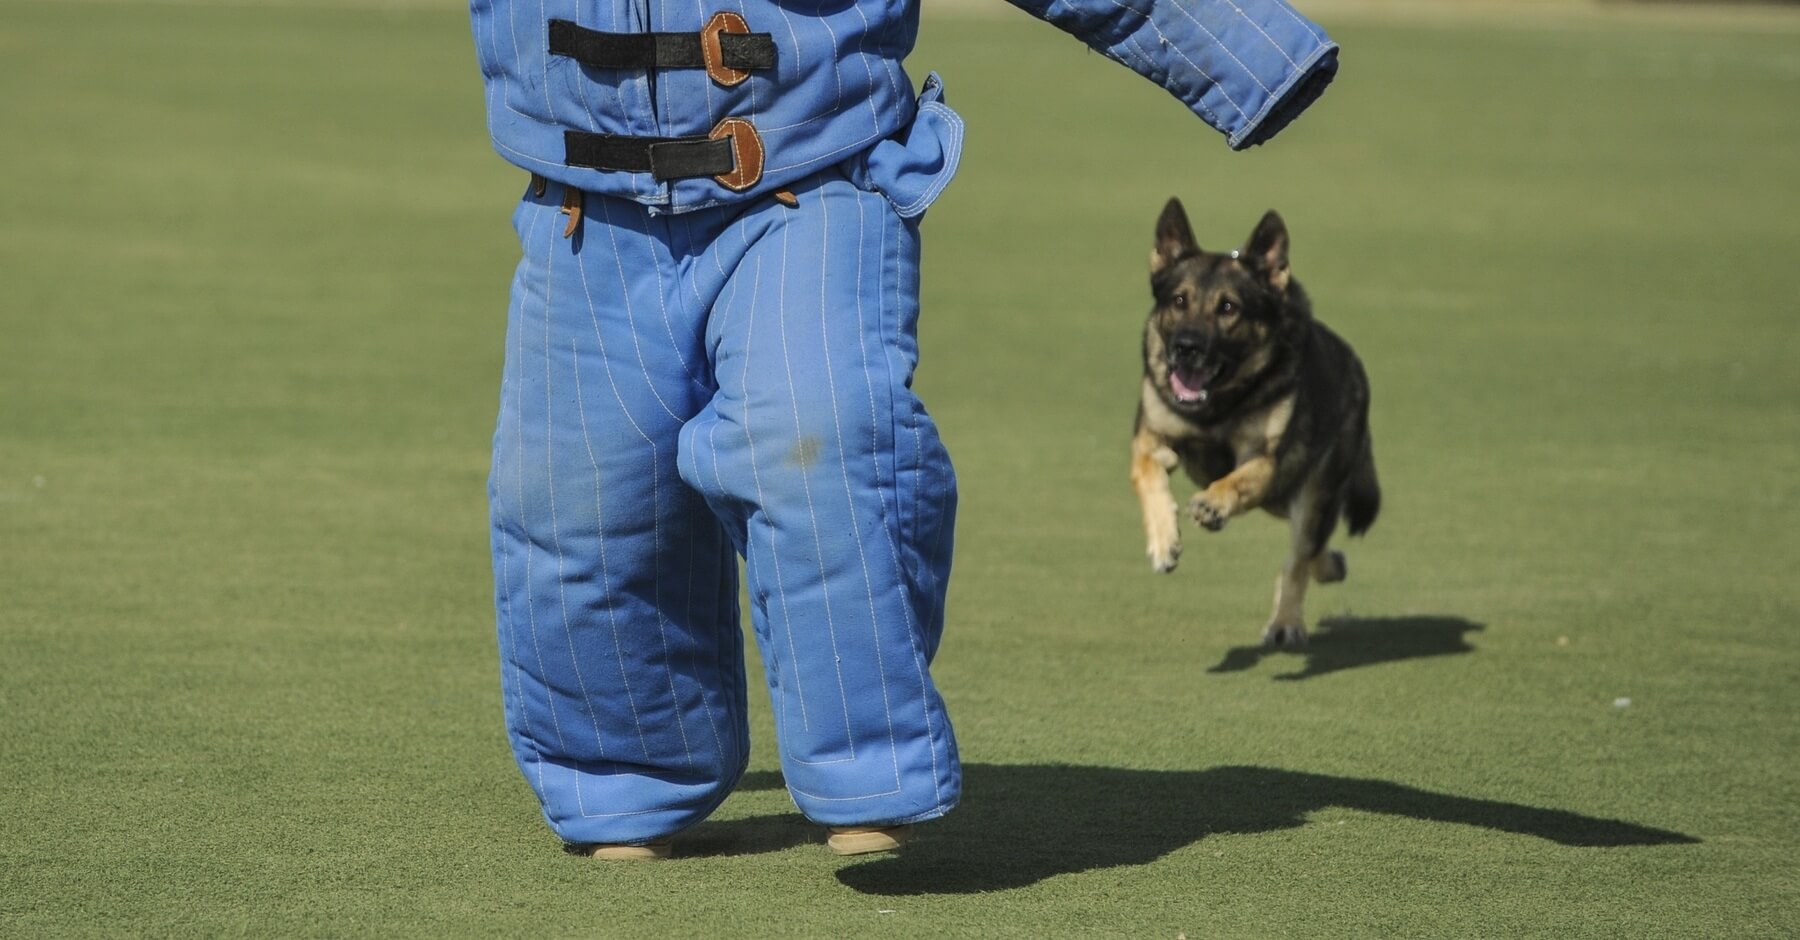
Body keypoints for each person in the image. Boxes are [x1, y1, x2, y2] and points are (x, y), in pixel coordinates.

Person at [469, 0, 1339, 859]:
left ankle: (865, 766)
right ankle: (630, 774)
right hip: (585, 206)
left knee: (820, 438)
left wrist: (1245, 49)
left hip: (810, 175)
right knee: (578, 493)